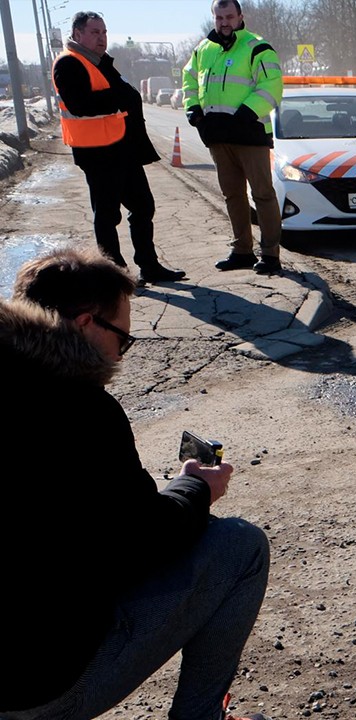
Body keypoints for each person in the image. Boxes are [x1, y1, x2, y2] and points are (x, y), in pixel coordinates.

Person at [0, 247, 270, 720]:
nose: (120, 355)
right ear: (85, 325)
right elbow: (144, 543)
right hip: (35, 692)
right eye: (122, 341)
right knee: (241, 546)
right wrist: (195, 487)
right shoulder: (80, 411)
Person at [52, 11, 185, 285]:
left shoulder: (100, 62)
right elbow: (80, 104)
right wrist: (121, 97)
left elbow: (118, 95)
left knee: (143, 206)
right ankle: (114, 275)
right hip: (97, 153)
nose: (102, 38)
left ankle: (149, 265)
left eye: (104, 32)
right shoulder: (68, 63)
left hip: (121, 149)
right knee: (107, 215)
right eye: (95, 32)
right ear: (78, 35)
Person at [182, 0, 284, 275]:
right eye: (219, 17)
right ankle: (242, 251)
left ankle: (271, 256)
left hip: (250, 135)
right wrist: (193, 109)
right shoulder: (204, 49)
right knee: (232, 195)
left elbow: (272, 86)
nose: (224, 22)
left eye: (229, 16)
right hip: (217, 137)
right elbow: (189, 79)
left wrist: (246, 114)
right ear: (213, 18)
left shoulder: (257, 47)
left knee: (262, 195)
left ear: (240, 16)